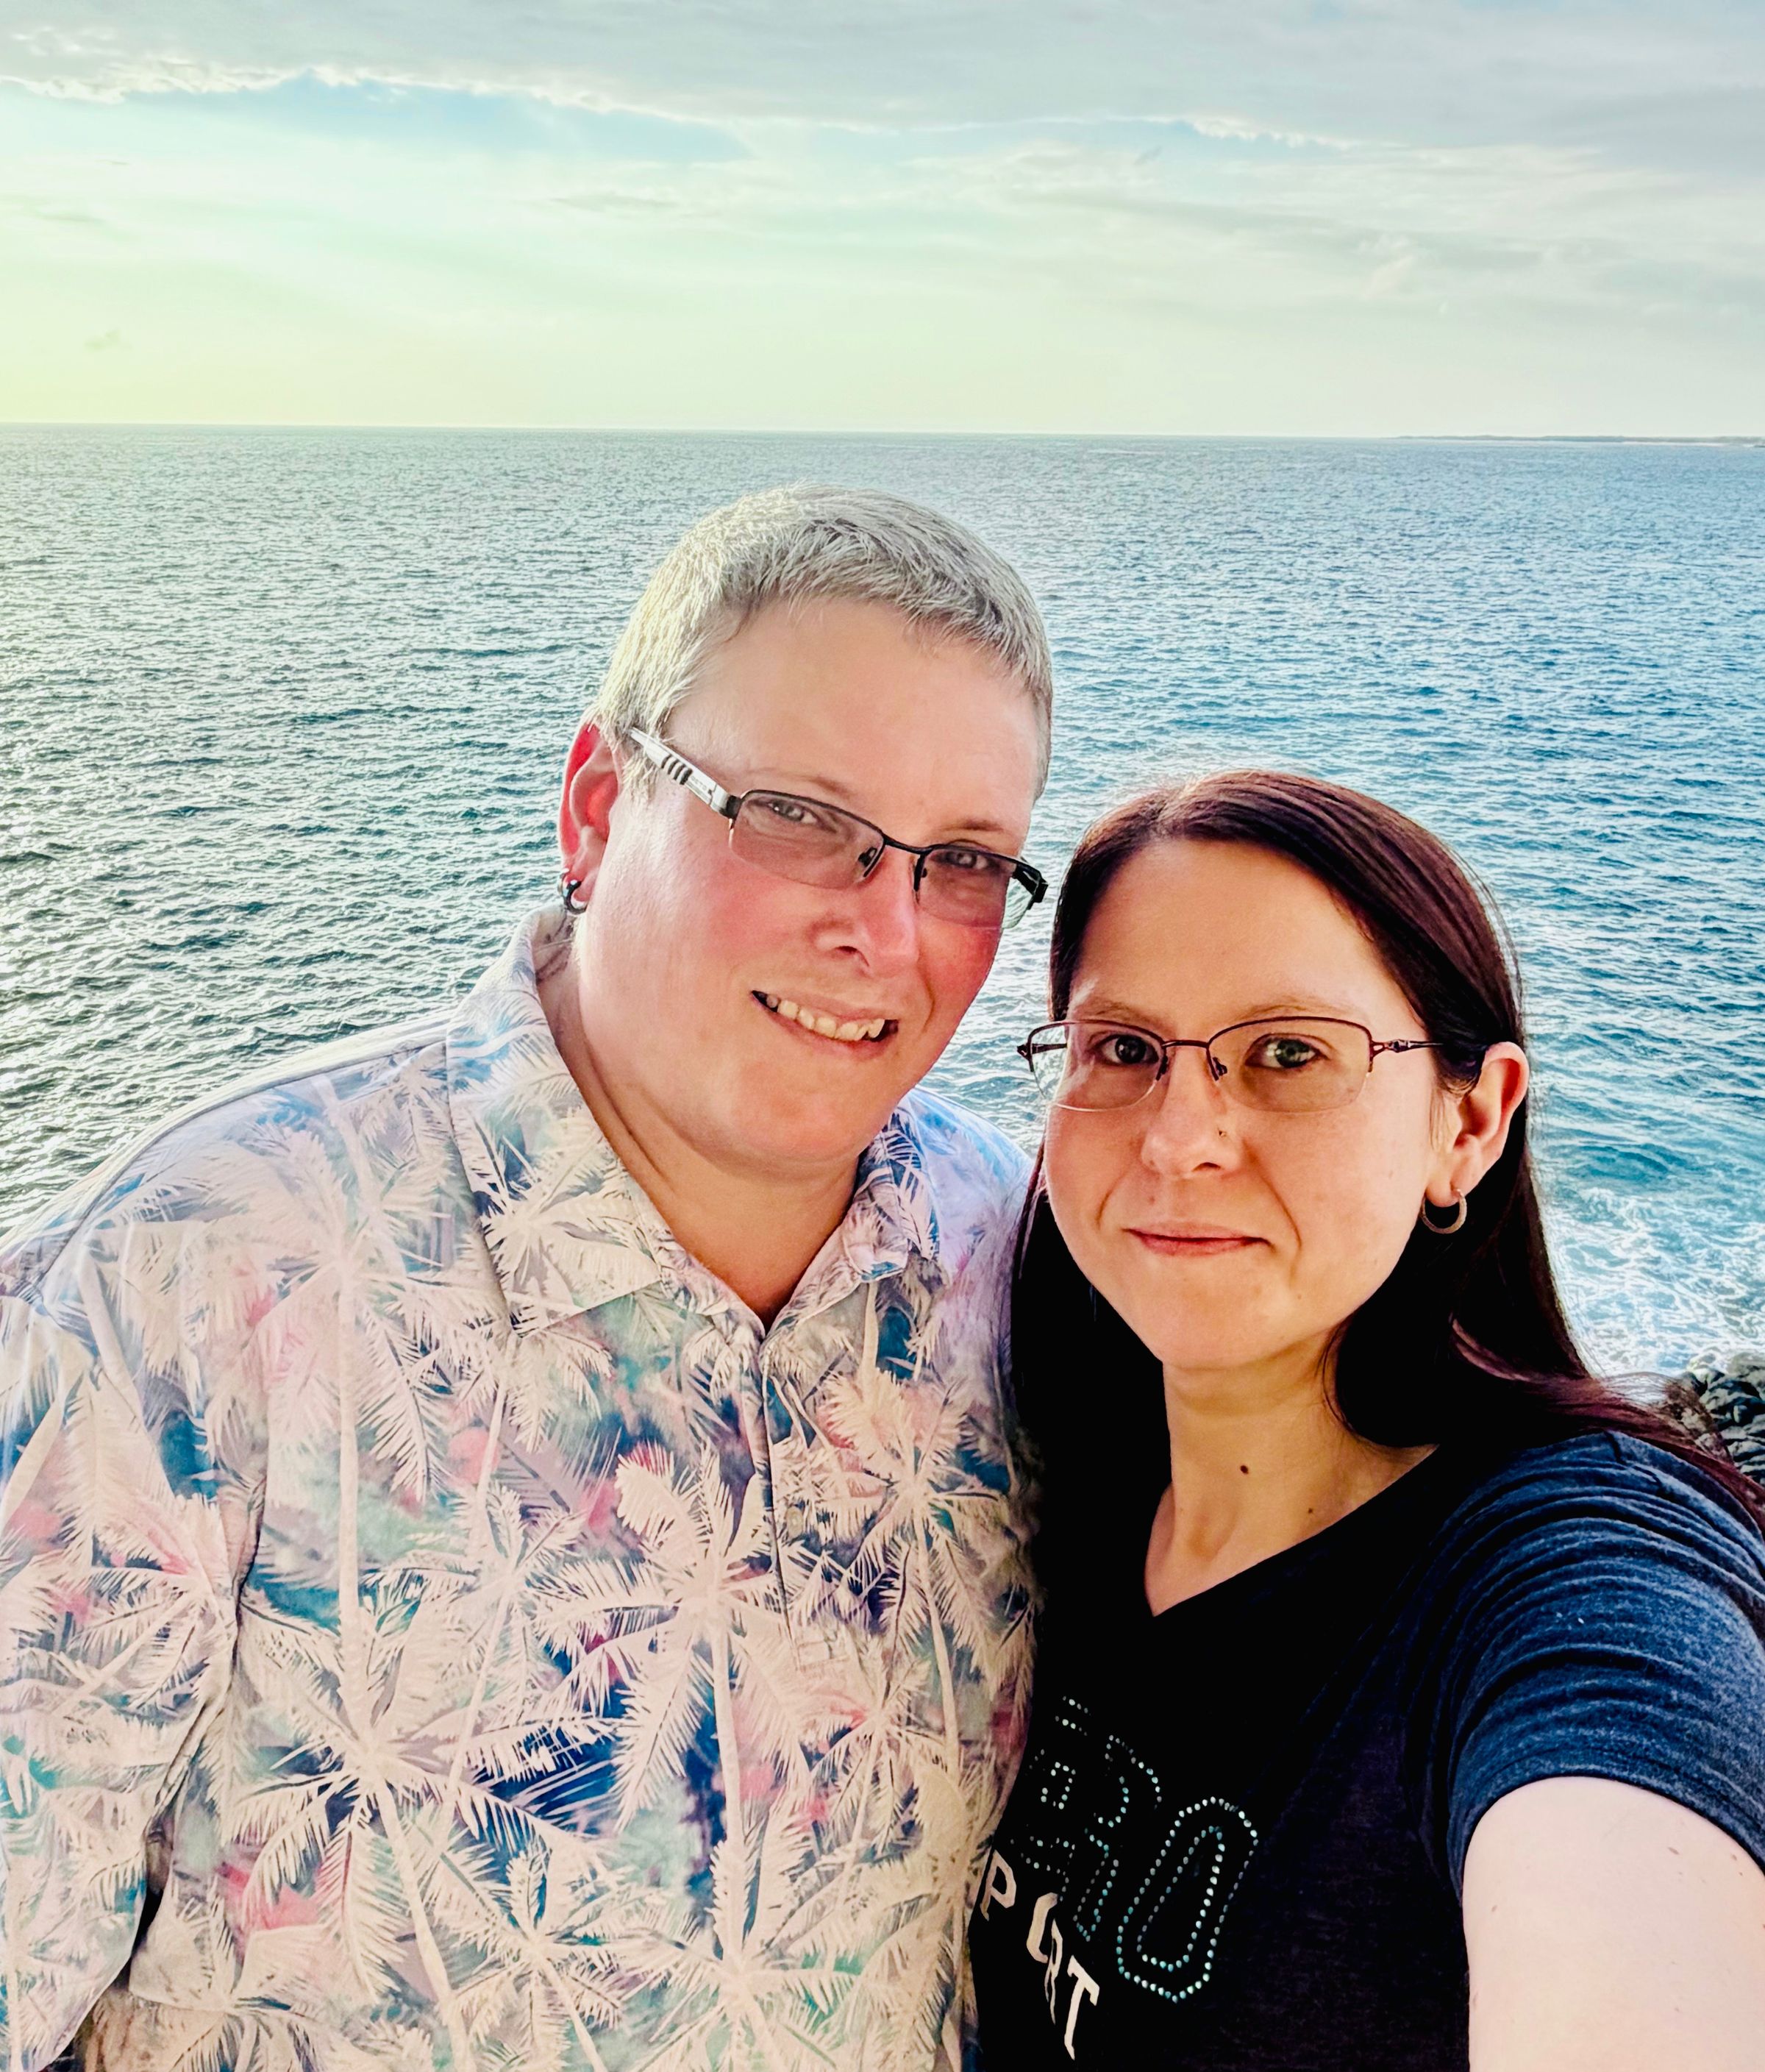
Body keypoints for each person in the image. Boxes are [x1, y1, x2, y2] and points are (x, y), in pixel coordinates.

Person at [0, 486, 1055, 2072]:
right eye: (796, 815)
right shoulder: (196, 1278)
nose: (885, 928)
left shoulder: (1020, 1260)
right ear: (597, 809)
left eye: (963, 860)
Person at [967, 772, 1765, 2071]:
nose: (1179, 1139)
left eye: (1289, 1053)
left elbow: (1636, 1912)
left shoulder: (1555, 1576)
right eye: (1124, 1049)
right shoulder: (1046, 1476)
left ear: (1471, 1120)